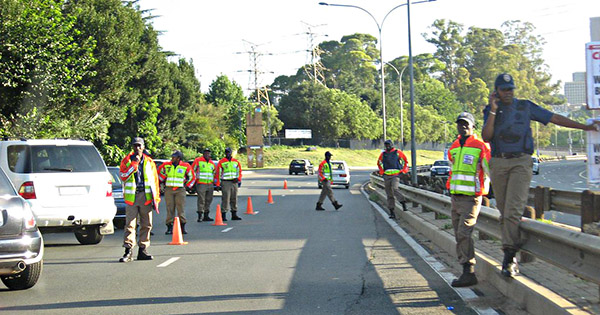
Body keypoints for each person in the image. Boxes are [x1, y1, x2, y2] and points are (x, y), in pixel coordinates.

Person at [482, 73, 600, 277]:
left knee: (512, 211)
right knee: (503, 211)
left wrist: (585, 127)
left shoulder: (525, 107)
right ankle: (511, 248)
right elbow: (486, 136)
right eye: (503, 89)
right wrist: (493, 110)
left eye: (510, 89)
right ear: (496, 92)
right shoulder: (492, 111)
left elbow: (554, 118)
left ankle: (509, 256)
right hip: (499, 162)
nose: (508, 93)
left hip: (521, 162)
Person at [447, 112, 491, 287]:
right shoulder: (454, 146)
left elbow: (489, 170)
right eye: (460, 123)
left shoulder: (481, 146)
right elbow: (452, 169)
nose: (463, 126)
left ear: (473, 126)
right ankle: (466, 269)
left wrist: (489, 188)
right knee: (459, 234)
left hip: (471, 197)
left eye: (466, 124)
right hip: (456, 197)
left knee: (464, 233)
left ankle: (469, 271)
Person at [118, 137, 161, 262]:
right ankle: (128, 251)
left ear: (143, 147)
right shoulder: (127, 160)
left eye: (139, 146)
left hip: (146, 196)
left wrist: (156, 198)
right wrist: (134, 165)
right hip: (132, 197)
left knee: (146, 224)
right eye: (135, 146)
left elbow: (155, 181)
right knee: (130, 225)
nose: (137, 148)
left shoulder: (149, 162)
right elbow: (123, 176)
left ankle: (143, 250)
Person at [157, 150, 195, 235]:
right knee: (170, 208)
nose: (172, 159)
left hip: (180, 189)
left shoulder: (185, 166)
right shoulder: (166, 165)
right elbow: (159, 173)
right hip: (169, 189)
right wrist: (162, 179)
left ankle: (182, 227)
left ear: (178, 158)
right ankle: (169, 227)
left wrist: (188, 186)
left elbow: (192, 176)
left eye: (174, 157)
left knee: (180, 208)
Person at [377, 140, 409, 218]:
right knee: (389, 194)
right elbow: (379, 163)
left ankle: (403, 201)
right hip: (387, 176)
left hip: (396, 175)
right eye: (386, 145)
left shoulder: (398, 152)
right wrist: (382, 172)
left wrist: (404, 171)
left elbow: (405, 162)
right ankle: (392, 212)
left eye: (388, 145)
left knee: (395, 189)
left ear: (391, 145)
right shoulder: (383, 154)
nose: (387, 147)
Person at [216, 148, 243, 221]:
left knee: (234, 198)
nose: (227, 154)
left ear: (231, 153)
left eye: (229, 152)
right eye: (226, 152)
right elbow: (218, 174)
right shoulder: (221, 162)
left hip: (234, 182)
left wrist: (238, 179)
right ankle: (223, 214)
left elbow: (239, 172)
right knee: (226, 198)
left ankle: (234, 214)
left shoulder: (236, 162)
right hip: (226, 182)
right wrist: (218, 184)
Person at [192, 148, 217, 222]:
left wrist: (215, 183)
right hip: (201, 183)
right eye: (206, 153)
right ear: (203, 154)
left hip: (210, 184)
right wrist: (194, 181)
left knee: (209, 199)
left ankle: (206, 215)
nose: (207, 154)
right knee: (201, 200)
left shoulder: (211, 163)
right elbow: (192, 171)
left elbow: (214, 173)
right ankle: (200, 215)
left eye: (208, 153)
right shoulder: (198, 161)